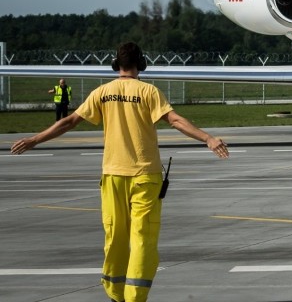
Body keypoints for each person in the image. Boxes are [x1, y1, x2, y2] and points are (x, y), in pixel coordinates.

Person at [11, 42, 229, 302]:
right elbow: (175, 120)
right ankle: (135, 296)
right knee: (142, 236)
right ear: (141, 64)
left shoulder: (103, 92)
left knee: (114, 236)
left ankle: (115, 293)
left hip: (113, 175)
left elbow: (69, 122)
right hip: (146, 176)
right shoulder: (149, 92)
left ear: (117, 64)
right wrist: (207, 138)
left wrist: (35, 139)